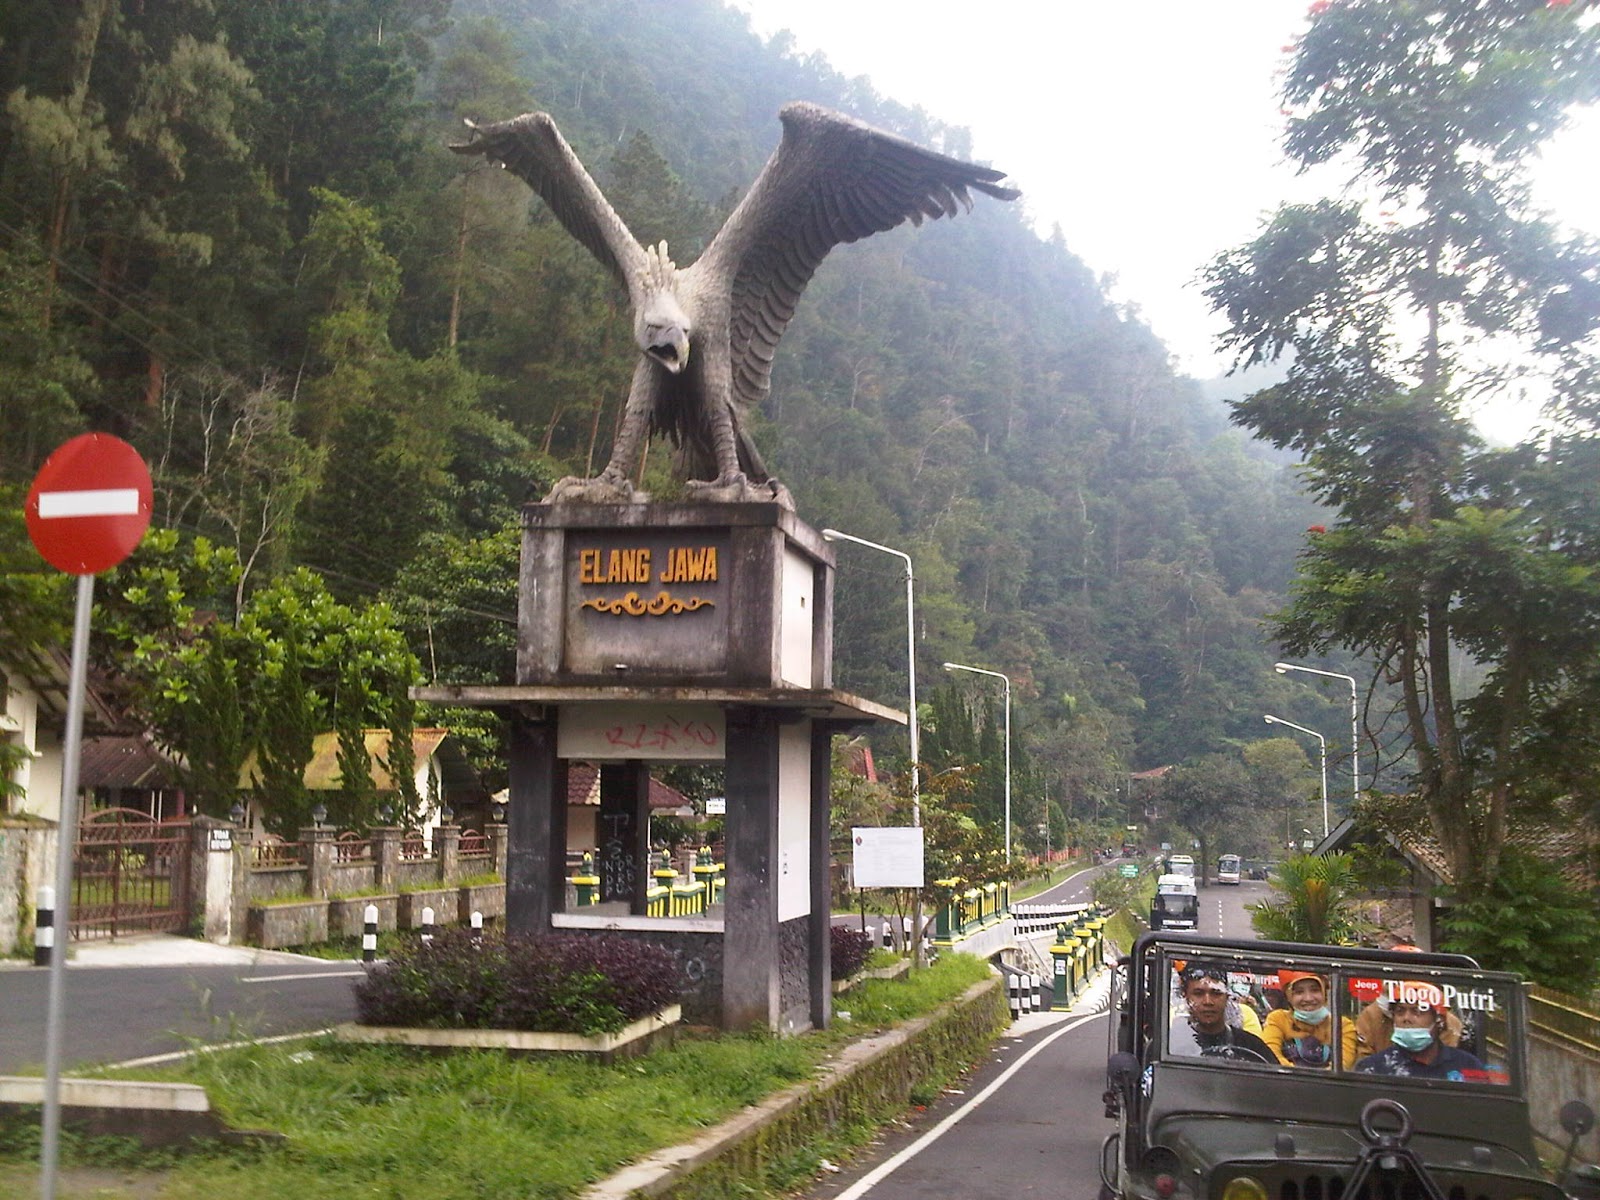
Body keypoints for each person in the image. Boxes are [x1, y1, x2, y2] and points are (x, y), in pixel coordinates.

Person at [1354, 982, 1497, 1081]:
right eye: (1400, 1011)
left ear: (1439, 1020)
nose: (1406, 1018)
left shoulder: (1468, 1066)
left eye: (1417, 1011)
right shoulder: (1373, 1068)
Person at [1168, 962, 1275, 1063]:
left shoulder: (1252, 1046)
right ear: (1185, 996)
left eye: (1216, 993)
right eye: (1198, 993)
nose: (1208, 1002)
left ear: (1227, 996)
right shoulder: (1168, 1043)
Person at [1262, 969, 1358, 1068]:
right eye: (1299, 992)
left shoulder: (1342, 1025)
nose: (1308, 998)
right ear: (1288, 997)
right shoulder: (1278, 1019)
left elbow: (1343, 1064)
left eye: (1315, 990)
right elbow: (1270, 1055)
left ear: (1325, 993)